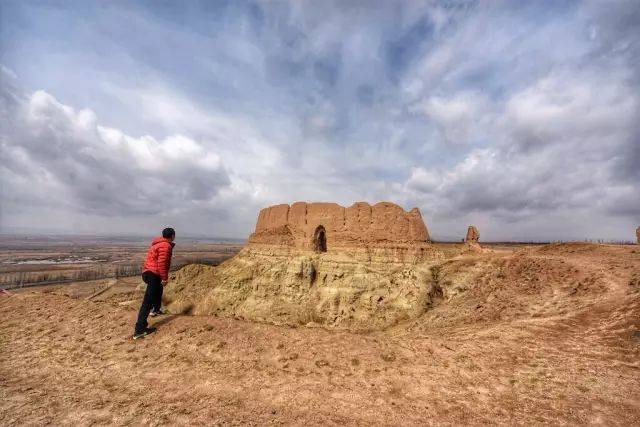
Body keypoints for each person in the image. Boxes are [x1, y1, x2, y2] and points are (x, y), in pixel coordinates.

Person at [133, 227, 175, 340]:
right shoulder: (165, 246)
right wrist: (164, 278)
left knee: (158, 290)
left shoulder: (157, 244)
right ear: (172, 236)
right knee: (147, 302)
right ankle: (139, 330)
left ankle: (156, 309)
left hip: (147, 272)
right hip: (153, 274)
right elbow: (162, 263)